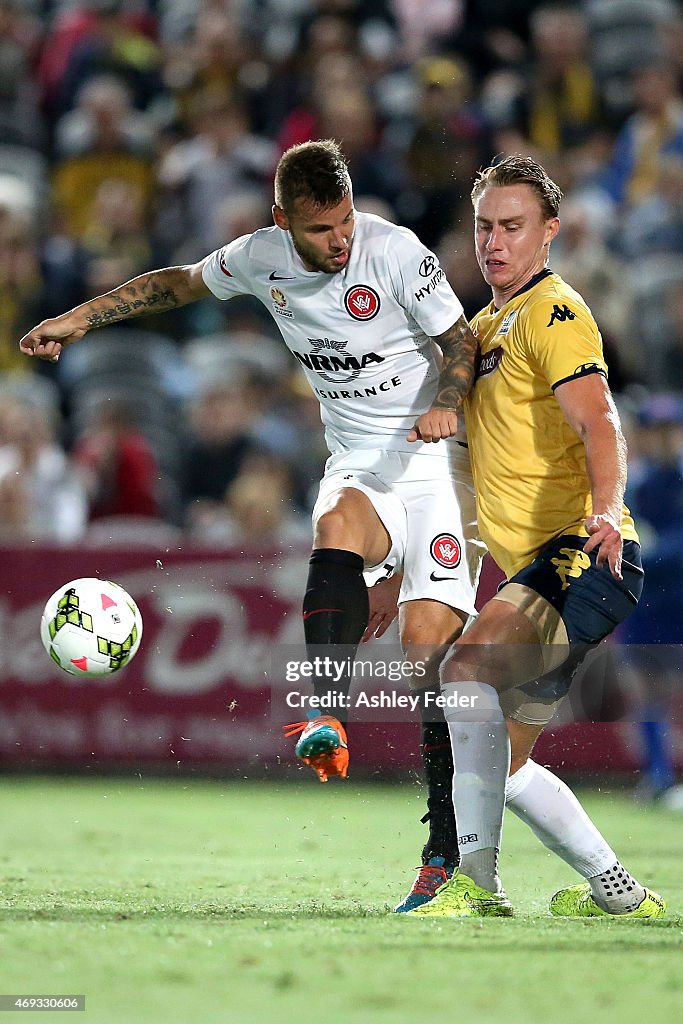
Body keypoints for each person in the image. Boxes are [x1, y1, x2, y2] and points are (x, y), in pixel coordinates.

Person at [19, 141, 658, 918]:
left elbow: (529, 384)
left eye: (347, 220)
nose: (340, 240)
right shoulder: (273, 262)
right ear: (283, 222)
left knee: (442, 669)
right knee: (461, 703)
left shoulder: (438, 271)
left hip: (471, 487)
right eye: (321, 230)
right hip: (383, 470)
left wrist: (575, 492)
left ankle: (451, 869)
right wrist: (81, 316)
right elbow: (180, 282)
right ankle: (338, 720)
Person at [407, 154, 665, 920]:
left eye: (512, 227)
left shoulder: (553, 313)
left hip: (585, 550)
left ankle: (476, 886)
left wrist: (604, 508)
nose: (494, 241)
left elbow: (599, 421)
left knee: (464, 675)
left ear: (547, 234)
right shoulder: (481, 327)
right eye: (484, 226)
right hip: (549, 565)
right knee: (501, 759)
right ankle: (620, 895)